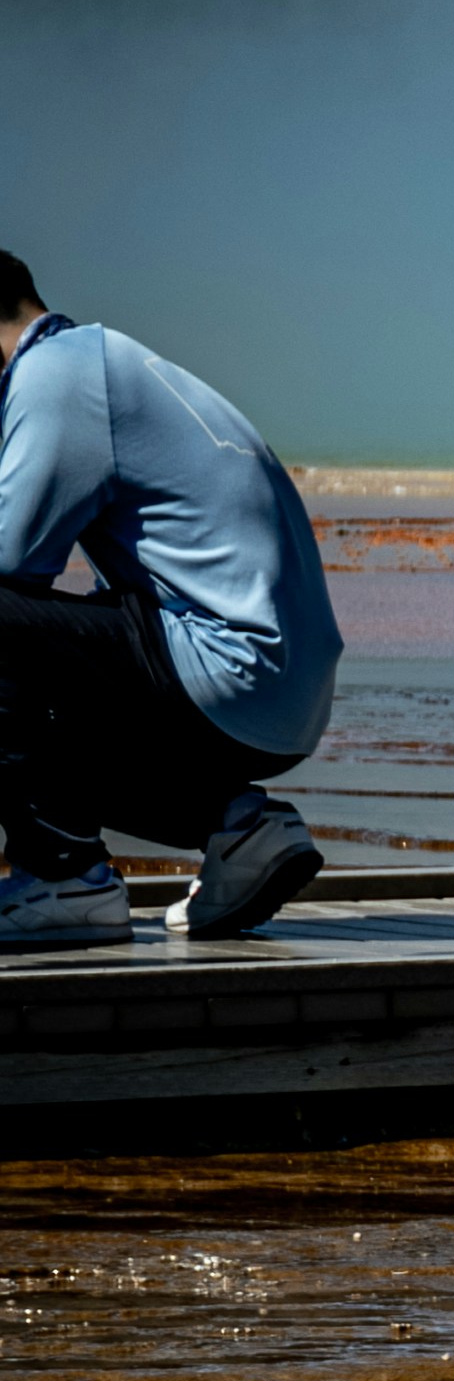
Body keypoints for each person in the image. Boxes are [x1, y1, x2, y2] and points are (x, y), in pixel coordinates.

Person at [0, 267, 337, 951]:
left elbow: (10, 567)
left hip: (228, 670)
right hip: (286, 691)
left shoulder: (55, 378)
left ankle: (65, 877)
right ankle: (239, 826)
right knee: (49, 691)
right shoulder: (107, 366)